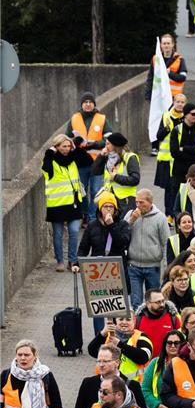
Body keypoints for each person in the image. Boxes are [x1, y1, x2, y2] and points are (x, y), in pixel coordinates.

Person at [73, 192, 132, 332]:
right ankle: (100, 339)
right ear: (100, 209)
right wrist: (76, 263)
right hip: (97, 274)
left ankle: (116, 339)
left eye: (111, 207)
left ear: (116, 209)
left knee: (117, 309)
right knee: (99, 309)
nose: (108, 210)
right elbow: (83, 248)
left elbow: (123, 243)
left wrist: (111, 225)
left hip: (117, 272)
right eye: (105, 206)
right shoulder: (92, 226)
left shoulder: (122, 225)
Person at [43, 134, 92, 271]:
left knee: (74, 231)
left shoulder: (73, 159)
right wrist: (49, 153)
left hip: (74, 203)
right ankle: (60, 261)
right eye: (63, 146)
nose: (66, 148)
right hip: (57, 205)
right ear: (56, 147)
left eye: (68, 146)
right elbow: (45, 169)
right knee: (58, 234)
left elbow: (88, 160)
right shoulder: (51, 161)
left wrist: (75, 147)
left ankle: (72, 261)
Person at [66, 92, 112, 222]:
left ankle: (92, 218)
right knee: (81, 191)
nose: (87, 104)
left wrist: (94, 144)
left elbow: (109, 138)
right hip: (80, 161)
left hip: (98, 161)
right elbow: (67, 138)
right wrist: (75, 141)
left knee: (96, 191)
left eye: (90, 102)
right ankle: (86, 214)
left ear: (94, 104)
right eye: (85, 102)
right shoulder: (74, 118)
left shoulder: (102, 119)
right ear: (82, 104)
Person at [125, 190, 168, 309]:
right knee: (136, 303)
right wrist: (131, 220)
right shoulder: (131, 214)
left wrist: (166, 266)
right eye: (136, 202)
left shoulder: (160, 218)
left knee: (154, 302)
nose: (138, 205)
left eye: (141, 202)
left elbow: (166, 243)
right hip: (134, 266)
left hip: (152, 266)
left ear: (150, 202)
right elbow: (121, 234)